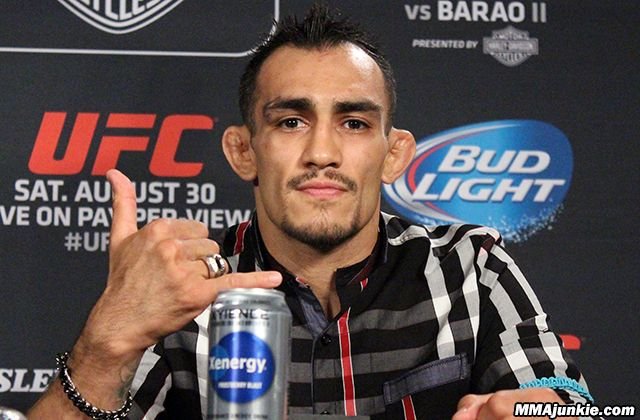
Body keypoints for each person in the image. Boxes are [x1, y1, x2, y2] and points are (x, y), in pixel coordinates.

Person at [29, 4, 592, 419]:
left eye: (354, 123)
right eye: (291, 121)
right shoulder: (182, 290)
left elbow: (571, 403)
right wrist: (106, 345)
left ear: (394, 154)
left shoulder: (469, 266)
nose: (322, 152)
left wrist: (543, 411)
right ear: (243, 151)